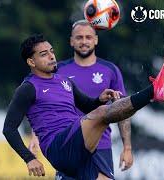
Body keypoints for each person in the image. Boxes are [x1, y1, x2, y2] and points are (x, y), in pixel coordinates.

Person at [2, 34, 164, 180]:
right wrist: (29, 159)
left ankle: (153, 94)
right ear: (31, 61)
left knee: (101, 112)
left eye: (52, 52)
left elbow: (88, 107)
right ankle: (153, 91)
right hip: (58, 147)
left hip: (79, 150)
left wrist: (100, 99)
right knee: (102, 114)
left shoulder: (64, 81)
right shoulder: (28, 88)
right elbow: (9, 129)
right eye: (44, 54)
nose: (52, 56)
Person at [28, 20, 133, 180]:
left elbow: (122, 110)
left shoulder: (110, 70)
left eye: (88, 37)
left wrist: (127, 147)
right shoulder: (59, 71)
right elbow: (40, 102)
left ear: (96, 40)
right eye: (79, 37)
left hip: (101, 146)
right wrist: (36, 135)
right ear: (71, 41)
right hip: (68, 145)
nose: (84, 42)